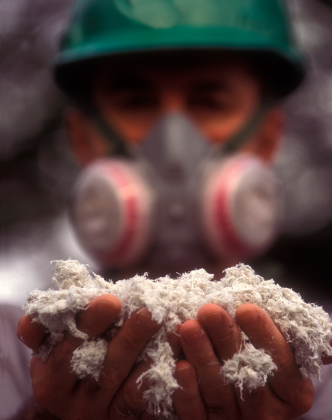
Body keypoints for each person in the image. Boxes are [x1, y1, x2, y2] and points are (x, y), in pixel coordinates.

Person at [14, 0, 332, 418]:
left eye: (209, 101)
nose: (175, 143)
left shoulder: (316, 354)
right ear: (83, 137)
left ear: (267, 137)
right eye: (136, 100)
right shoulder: (13, 354)